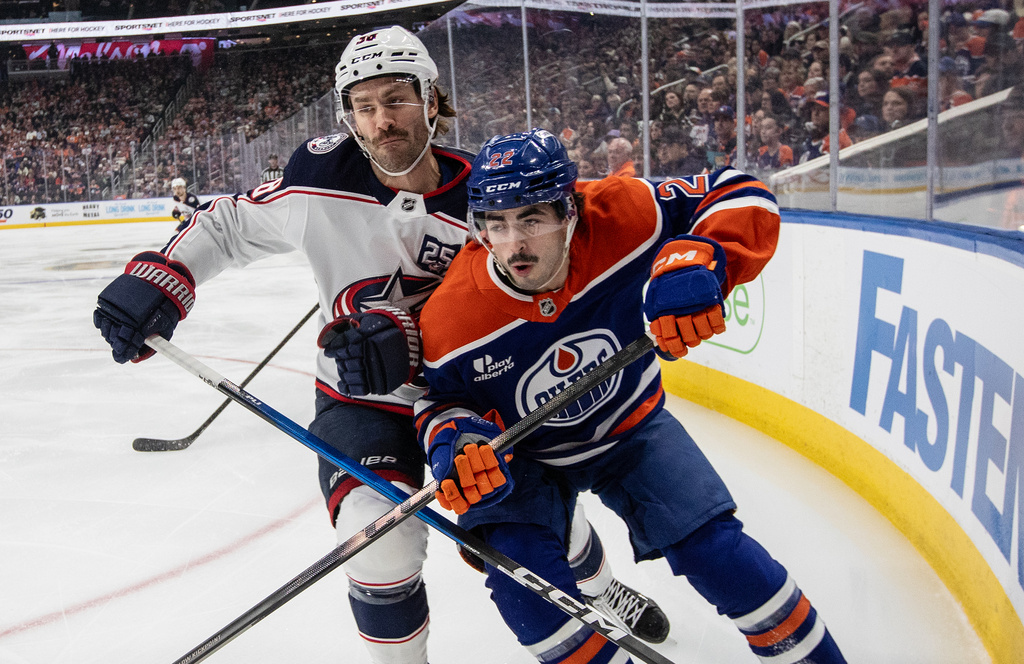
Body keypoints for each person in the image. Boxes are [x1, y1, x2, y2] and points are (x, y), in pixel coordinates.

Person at [91, 26, 666, 664]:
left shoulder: (487, 196)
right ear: (347, 115)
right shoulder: (317, 178)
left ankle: (603, 588)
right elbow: (229, 224)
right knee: (378, 544)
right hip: (363, 401)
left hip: (475, 393)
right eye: (363, 106)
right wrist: (161, 281)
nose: (382, 120)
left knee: (537, 512)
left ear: (432, 100)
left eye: (396, 100)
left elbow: (555, 275)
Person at [413, 128, 847, 664]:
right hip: (528, 459)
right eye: (496, 224)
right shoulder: (451, 318)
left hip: (631, 426)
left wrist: (704, 256)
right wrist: (455, 440)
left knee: (720, 555)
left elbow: (739, 190)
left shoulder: (623, 212)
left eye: (531, 219)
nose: (514, 245)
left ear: (569, 211)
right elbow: (438, 402)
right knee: (524, 586)